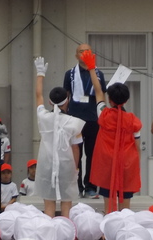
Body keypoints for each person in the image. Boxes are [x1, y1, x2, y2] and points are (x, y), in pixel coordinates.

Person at [80, 49, 142, 213]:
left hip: (108, 164)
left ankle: (108, 233)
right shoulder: (133, 120)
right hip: (127, 164)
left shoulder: (103, 114)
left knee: (109, 209)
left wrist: (92, 68)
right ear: (127, 99)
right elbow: (137, 146)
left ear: (110, 99)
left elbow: (98, 91)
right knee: (126, 211)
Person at [34, 56, 85, 217]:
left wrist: (40, 74)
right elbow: (76, 148)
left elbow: (38, 96)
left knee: (48, 205)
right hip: (67, 165)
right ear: (67, 100)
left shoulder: (43, 117)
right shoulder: (74, 122)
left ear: (50, 102)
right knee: (66, 205)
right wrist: (76, 169)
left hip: (46, 163)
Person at [63, 43, 106, 199]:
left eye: (88, 51)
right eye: (81, 52)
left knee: (92, 154)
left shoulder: (98, 74)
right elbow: (66, 95)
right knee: (75, 154)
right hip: (75, 118)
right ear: (76, 55)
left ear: (92, 54)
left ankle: (90, 186)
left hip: (93, 119)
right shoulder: (70, 74)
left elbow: (102, 95)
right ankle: (76, 185)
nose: (84, 54)